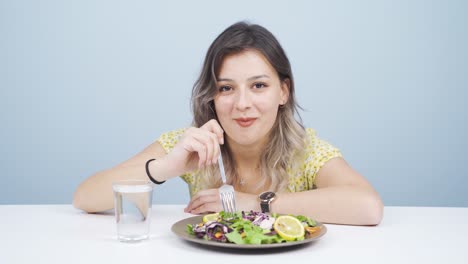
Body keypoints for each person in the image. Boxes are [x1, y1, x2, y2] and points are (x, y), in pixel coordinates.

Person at [73, 21, 383, 225]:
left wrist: (254, 204)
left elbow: (367, 207)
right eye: (226, 88)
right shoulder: (192, 144)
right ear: (212, 96)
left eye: (258, 85)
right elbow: (85, 197)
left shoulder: (306, 150)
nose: (242, 104)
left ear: (283, 92)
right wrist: (167, 167)